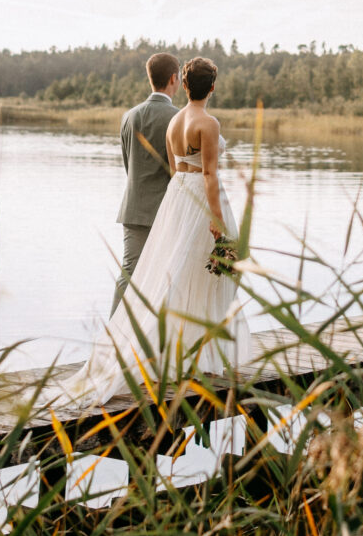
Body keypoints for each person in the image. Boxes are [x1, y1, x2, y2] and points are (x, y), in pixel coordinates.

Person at [62, 56, 251, 407]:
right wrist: (216, 217)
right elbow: (208, 173)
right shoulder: (207, 122)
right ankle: (198, 353)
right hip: (200, 202)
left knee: (177, 274)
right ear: (211, 87)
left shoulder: (172, 120)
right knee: (214, 272)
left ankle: (183, 351)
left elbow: (176, 168)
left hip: (174, 199)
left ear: (184, 82)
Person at [111, 52, 182, 315]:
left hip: (133, 208)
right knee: (166, 276)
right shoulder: (177, 118)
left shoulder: (129, 116)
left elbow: (128, 165)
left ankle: (113, 340)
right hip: (165, 211)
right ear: (174, 79)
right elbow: (178, 172)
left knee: (129, 274)